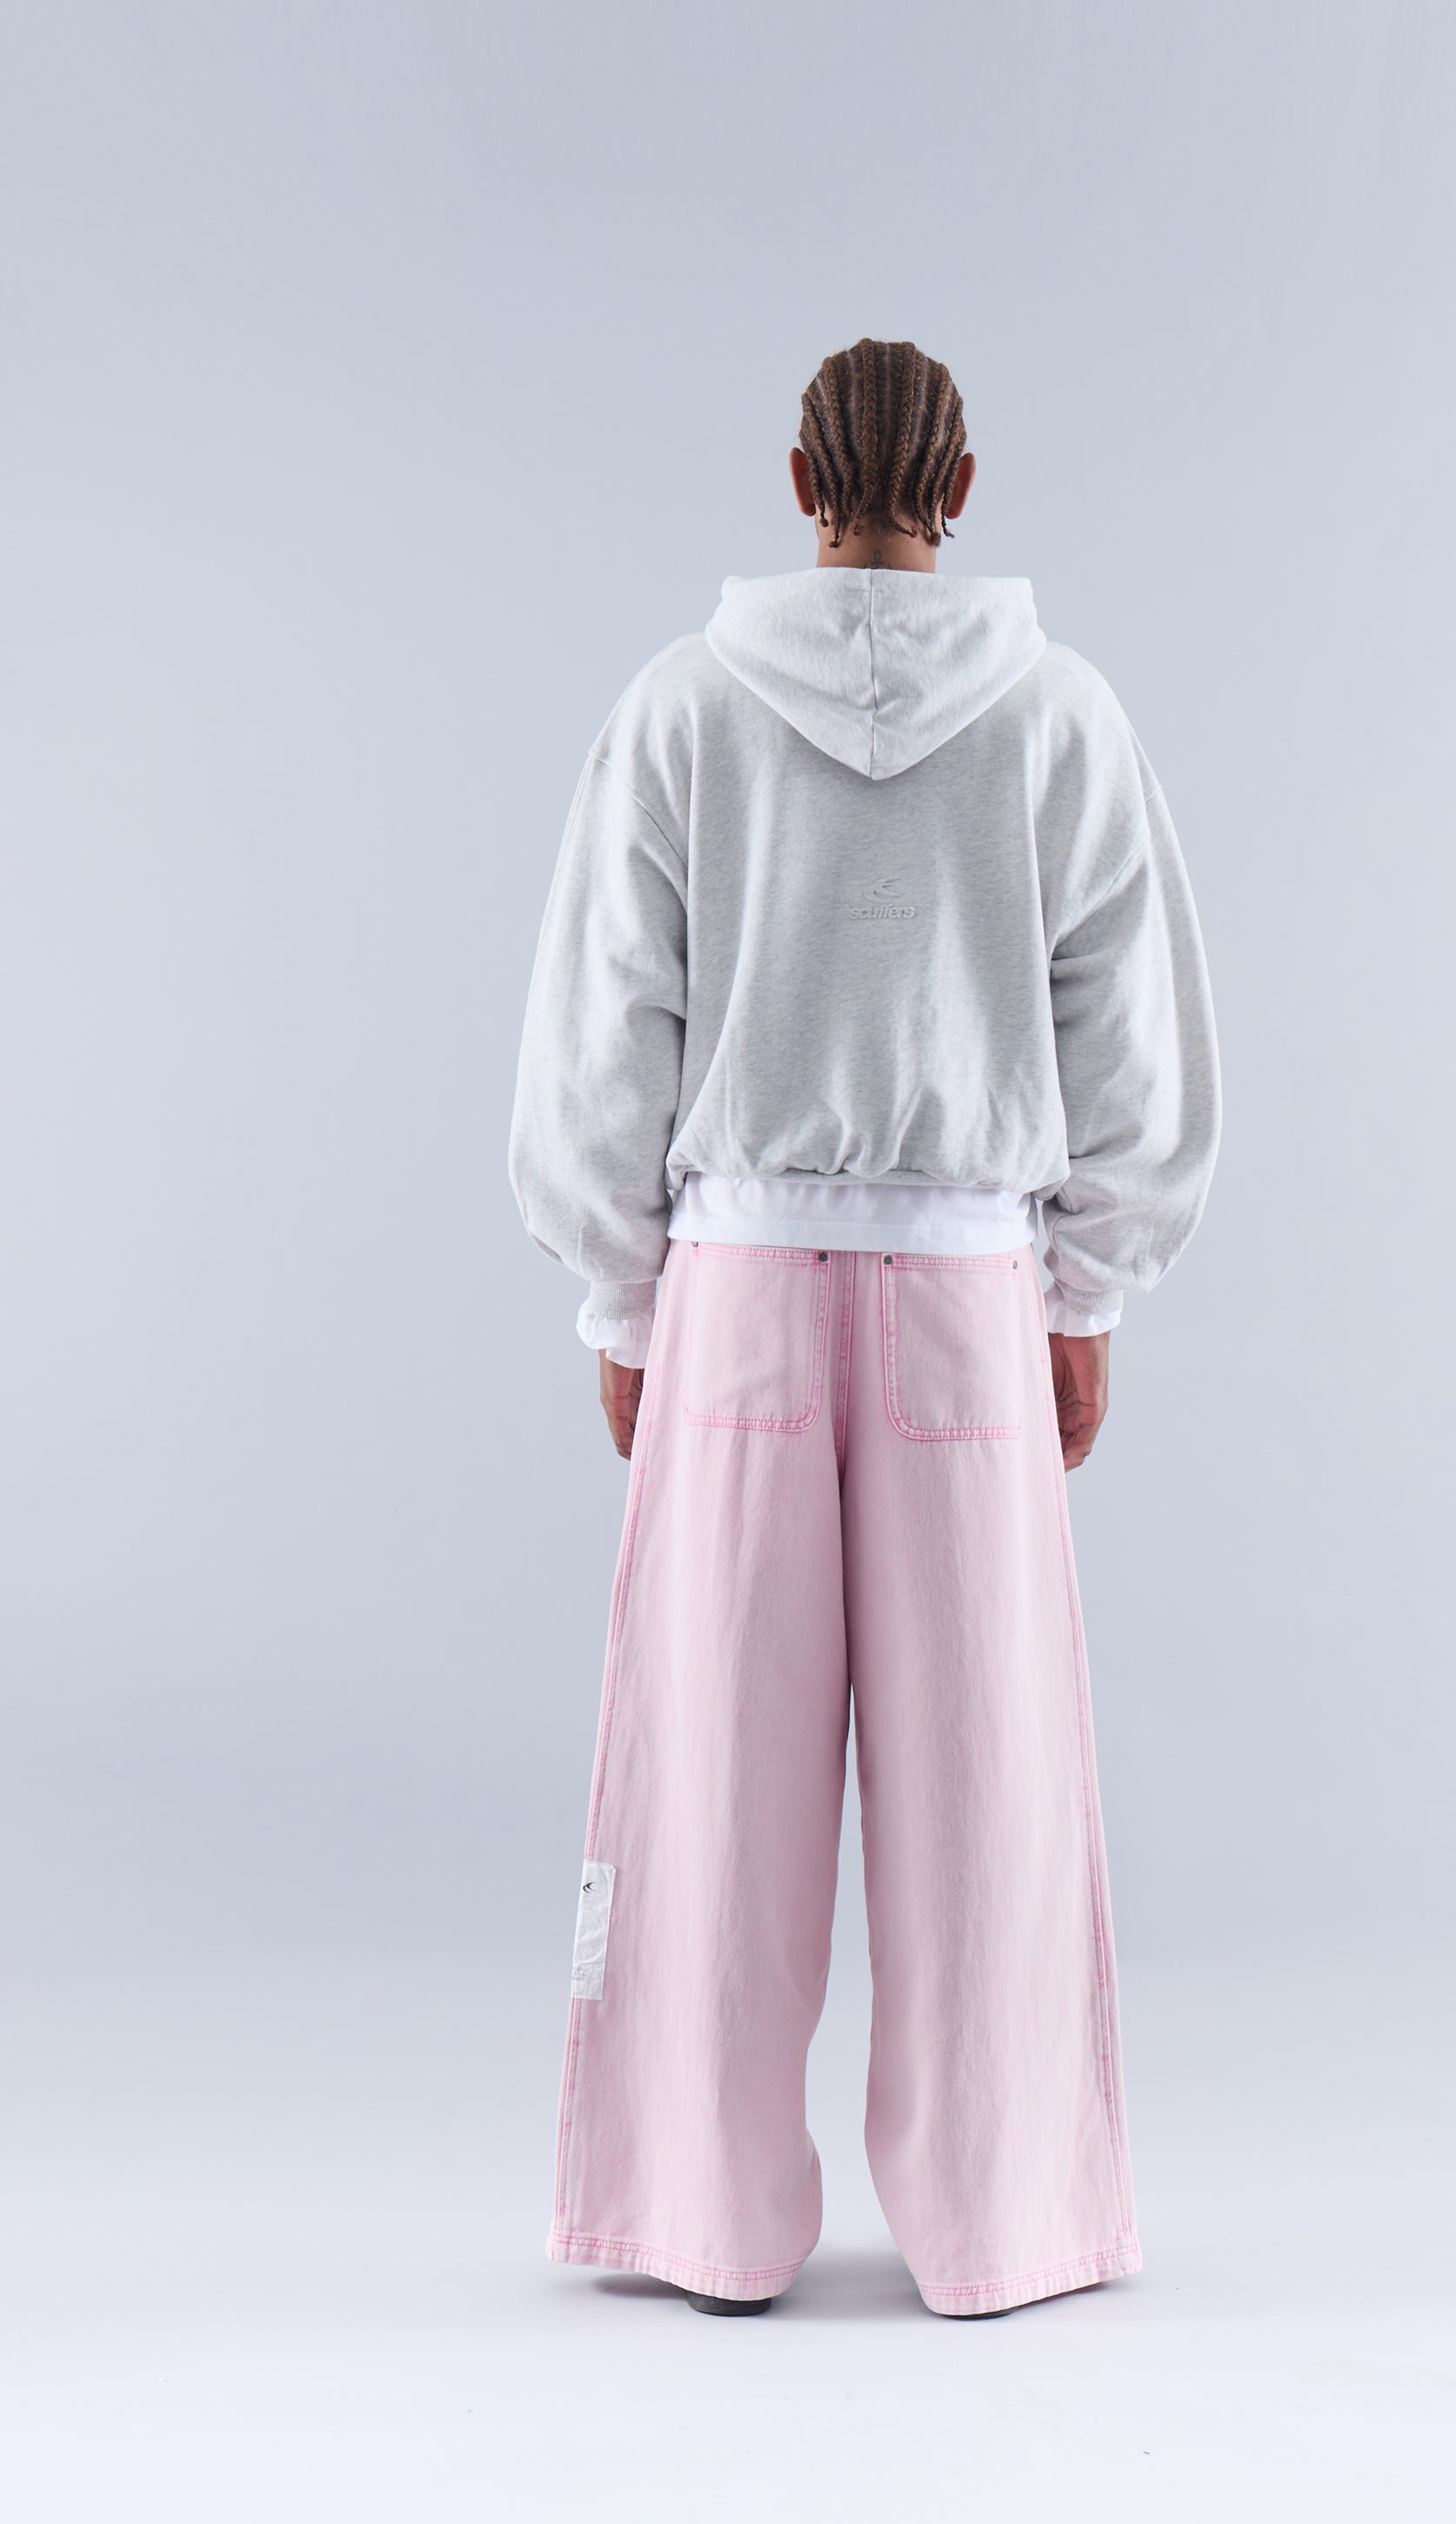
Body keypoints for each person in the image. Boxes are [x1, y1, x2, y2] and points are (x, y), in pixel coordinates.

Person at [510, 337, 1219, 2320]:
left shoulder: (680, 707)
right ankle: (1007, 2216)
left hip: (734, 1285)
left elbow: (603, 1029)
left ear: (798, 476)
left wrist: (620, 1290)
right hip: (968, 1295)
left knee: (707, 1773)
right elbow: (1128, 1037)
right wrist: (1086, 1285)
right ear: (962, 487)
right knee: (990, 1773)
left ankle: (696, 2209)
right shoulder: (1060, 718)